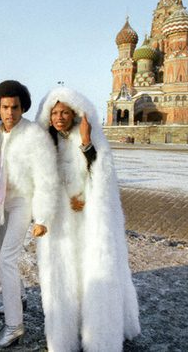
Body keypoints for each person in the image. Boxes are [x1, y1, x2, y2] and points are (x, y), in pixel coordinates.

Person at [35, 87, 140, 352]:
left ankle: (98, 333)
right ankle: (66, 334)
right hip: (61, 222)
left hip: (86, 219)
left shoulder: (89, 139)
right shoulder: (46, 142)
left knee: (89, 271)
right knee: (65, 275)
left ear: (74, 114)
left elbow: (101, 174)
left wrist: (85, 142)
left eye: (64, 112)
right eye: (54, 113)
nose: (59, 117)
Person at [0, 80, 59, 348]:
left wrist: (42, 218)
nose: (10, 113)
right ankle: (16, 297)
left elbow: (45, 177)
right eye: (5, 107)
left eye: (15, 107)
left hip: (21, 202)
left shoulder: (33, 134)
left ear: (23, 108)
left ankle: (14, 326)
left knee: (6, 259)